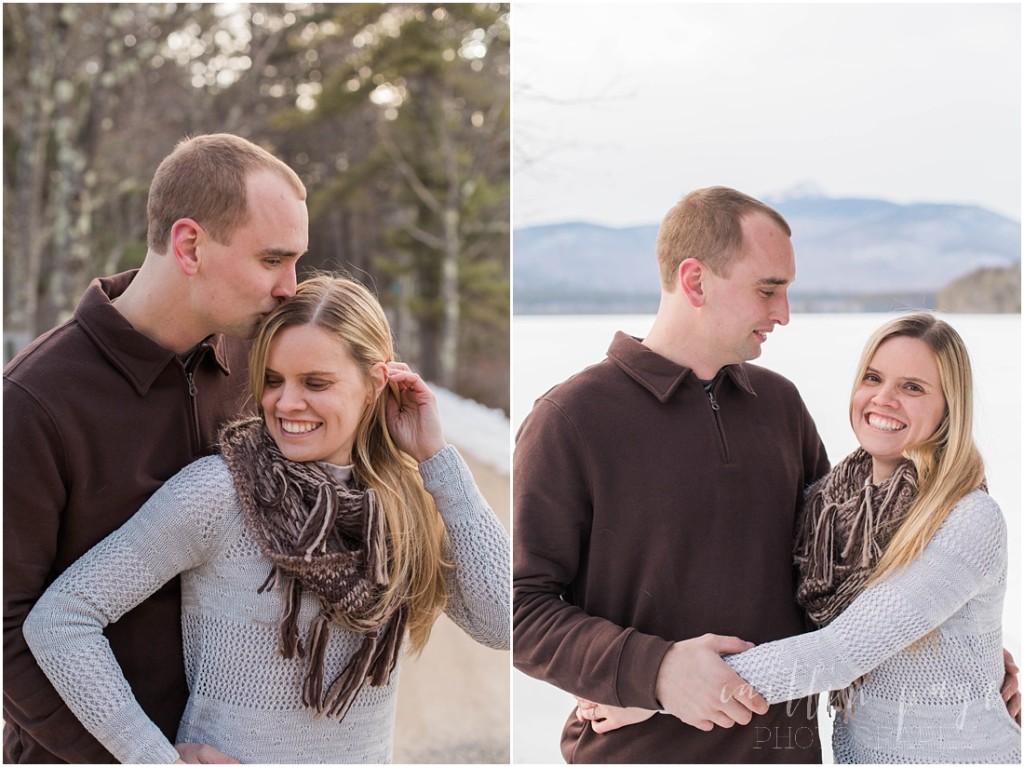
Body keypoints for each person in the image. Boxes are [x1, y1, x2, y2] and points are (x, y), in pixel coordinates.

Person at [23, 275, 511, 763]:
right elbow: (61, 620)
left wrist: (436, 459)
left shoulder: (401, 506)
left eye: (315, 382)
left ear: (375, 384)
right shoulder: (220, 493)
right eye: (273, 380)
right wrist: (155, 758)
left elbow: (503, 622)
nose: (286, 403)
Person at [574, 313, 1021, 762]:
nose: (883, 399)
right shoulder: (825, 510)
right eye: (873, 377)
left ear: (950, 407)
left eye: (913, 387)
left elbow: (842, 650)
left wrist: (656, 691)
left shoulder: (968, 519)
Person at [4, 133, 308, 763]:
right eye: (273, 259)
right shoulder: (34, 401)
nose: (291, 287)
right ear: (190, 244)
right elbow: (7, 632)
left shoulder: (270, 370)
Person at [513, 187, 831, 763]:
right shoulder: (571, 419)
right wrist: (652, 674)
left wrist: (961, 655)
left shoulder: (781, 405)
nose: (783, 313)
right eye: (768, 289)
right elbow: (521, 608)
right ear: (695, 282)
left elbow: (841, 572)